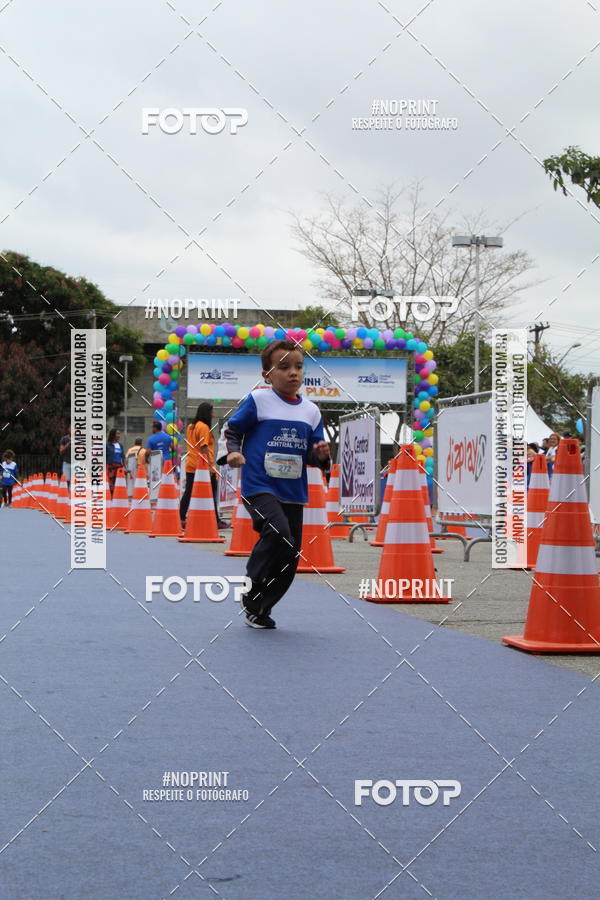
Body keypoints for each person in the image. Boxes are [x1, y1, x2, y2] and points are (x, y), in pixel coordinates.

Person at [218, 339, 331, 629]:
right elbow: (232, 429)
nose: (293, 372)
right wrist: (232, 453)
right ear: (267, 374)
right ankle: (252, 582)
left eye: (299, 366)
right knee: (279, 532)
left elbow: (312, 453)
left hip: (293, 492)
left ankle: (260, 608)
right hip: (259, 486)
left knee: (290, 556)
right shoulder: (259, 400)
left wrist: (320, 455)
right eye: (284, 367)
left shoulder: (311, 411)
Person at [180, 403, 228, 530]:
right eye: (211, 412)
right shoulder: (204, 427)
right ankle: (216, 521)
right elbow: (204, 447)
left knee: (189, 491)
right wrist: (210, 466)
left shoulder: (191, 427)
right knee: (212, 492)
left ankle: (181, 518)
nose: (213, 414)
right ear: (206, 413)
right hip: (202, 466)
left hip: (191, 464)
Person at [106, 428, 125, 495]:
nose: (119, 435)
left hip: (119, 467)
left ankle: (117, 496)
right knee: (110, 483)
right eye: (117, 434)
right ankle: (110, 497)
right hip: (110, 467)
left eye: (119, 434)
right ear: (113, 434)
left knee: (118, 483)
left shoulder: (120, 445)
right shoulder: (107, 445)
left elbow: (123, 457)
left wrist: (124, 467)